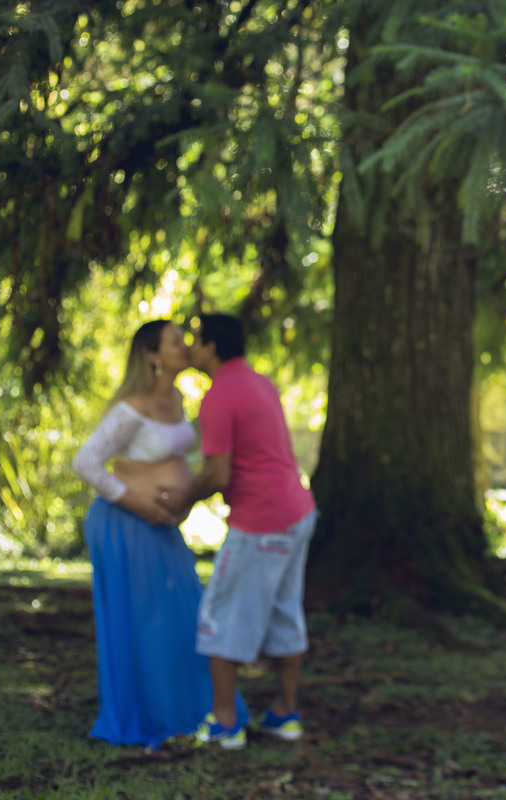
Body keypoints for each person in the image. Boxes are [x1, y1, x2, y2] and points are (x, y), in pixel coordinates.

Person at [163, 313, 317, 750]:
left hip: (261, 521)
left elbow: (217, 471)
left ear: (212, 347)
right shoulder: (259, 382)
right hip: (298, 512)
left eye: (195, 340)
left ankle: (225, 724)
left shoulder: (218, 395)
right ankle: (285, 716)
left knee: (221, 617)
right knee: (286, 613)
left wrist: (182, 501)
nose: (190, 347)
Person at [72, 319, 217, 750]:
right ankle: (146, 714)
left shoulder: (177, 398)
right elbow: (86, 462)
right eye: (176, 342)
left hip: (160, 526)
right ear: (153, 356)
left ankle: (184, 710)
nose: (185, 347)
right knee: (145, 620)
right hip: (124, 525)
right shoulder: (131, 407)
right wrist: (134, 501)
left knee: (180, 614)